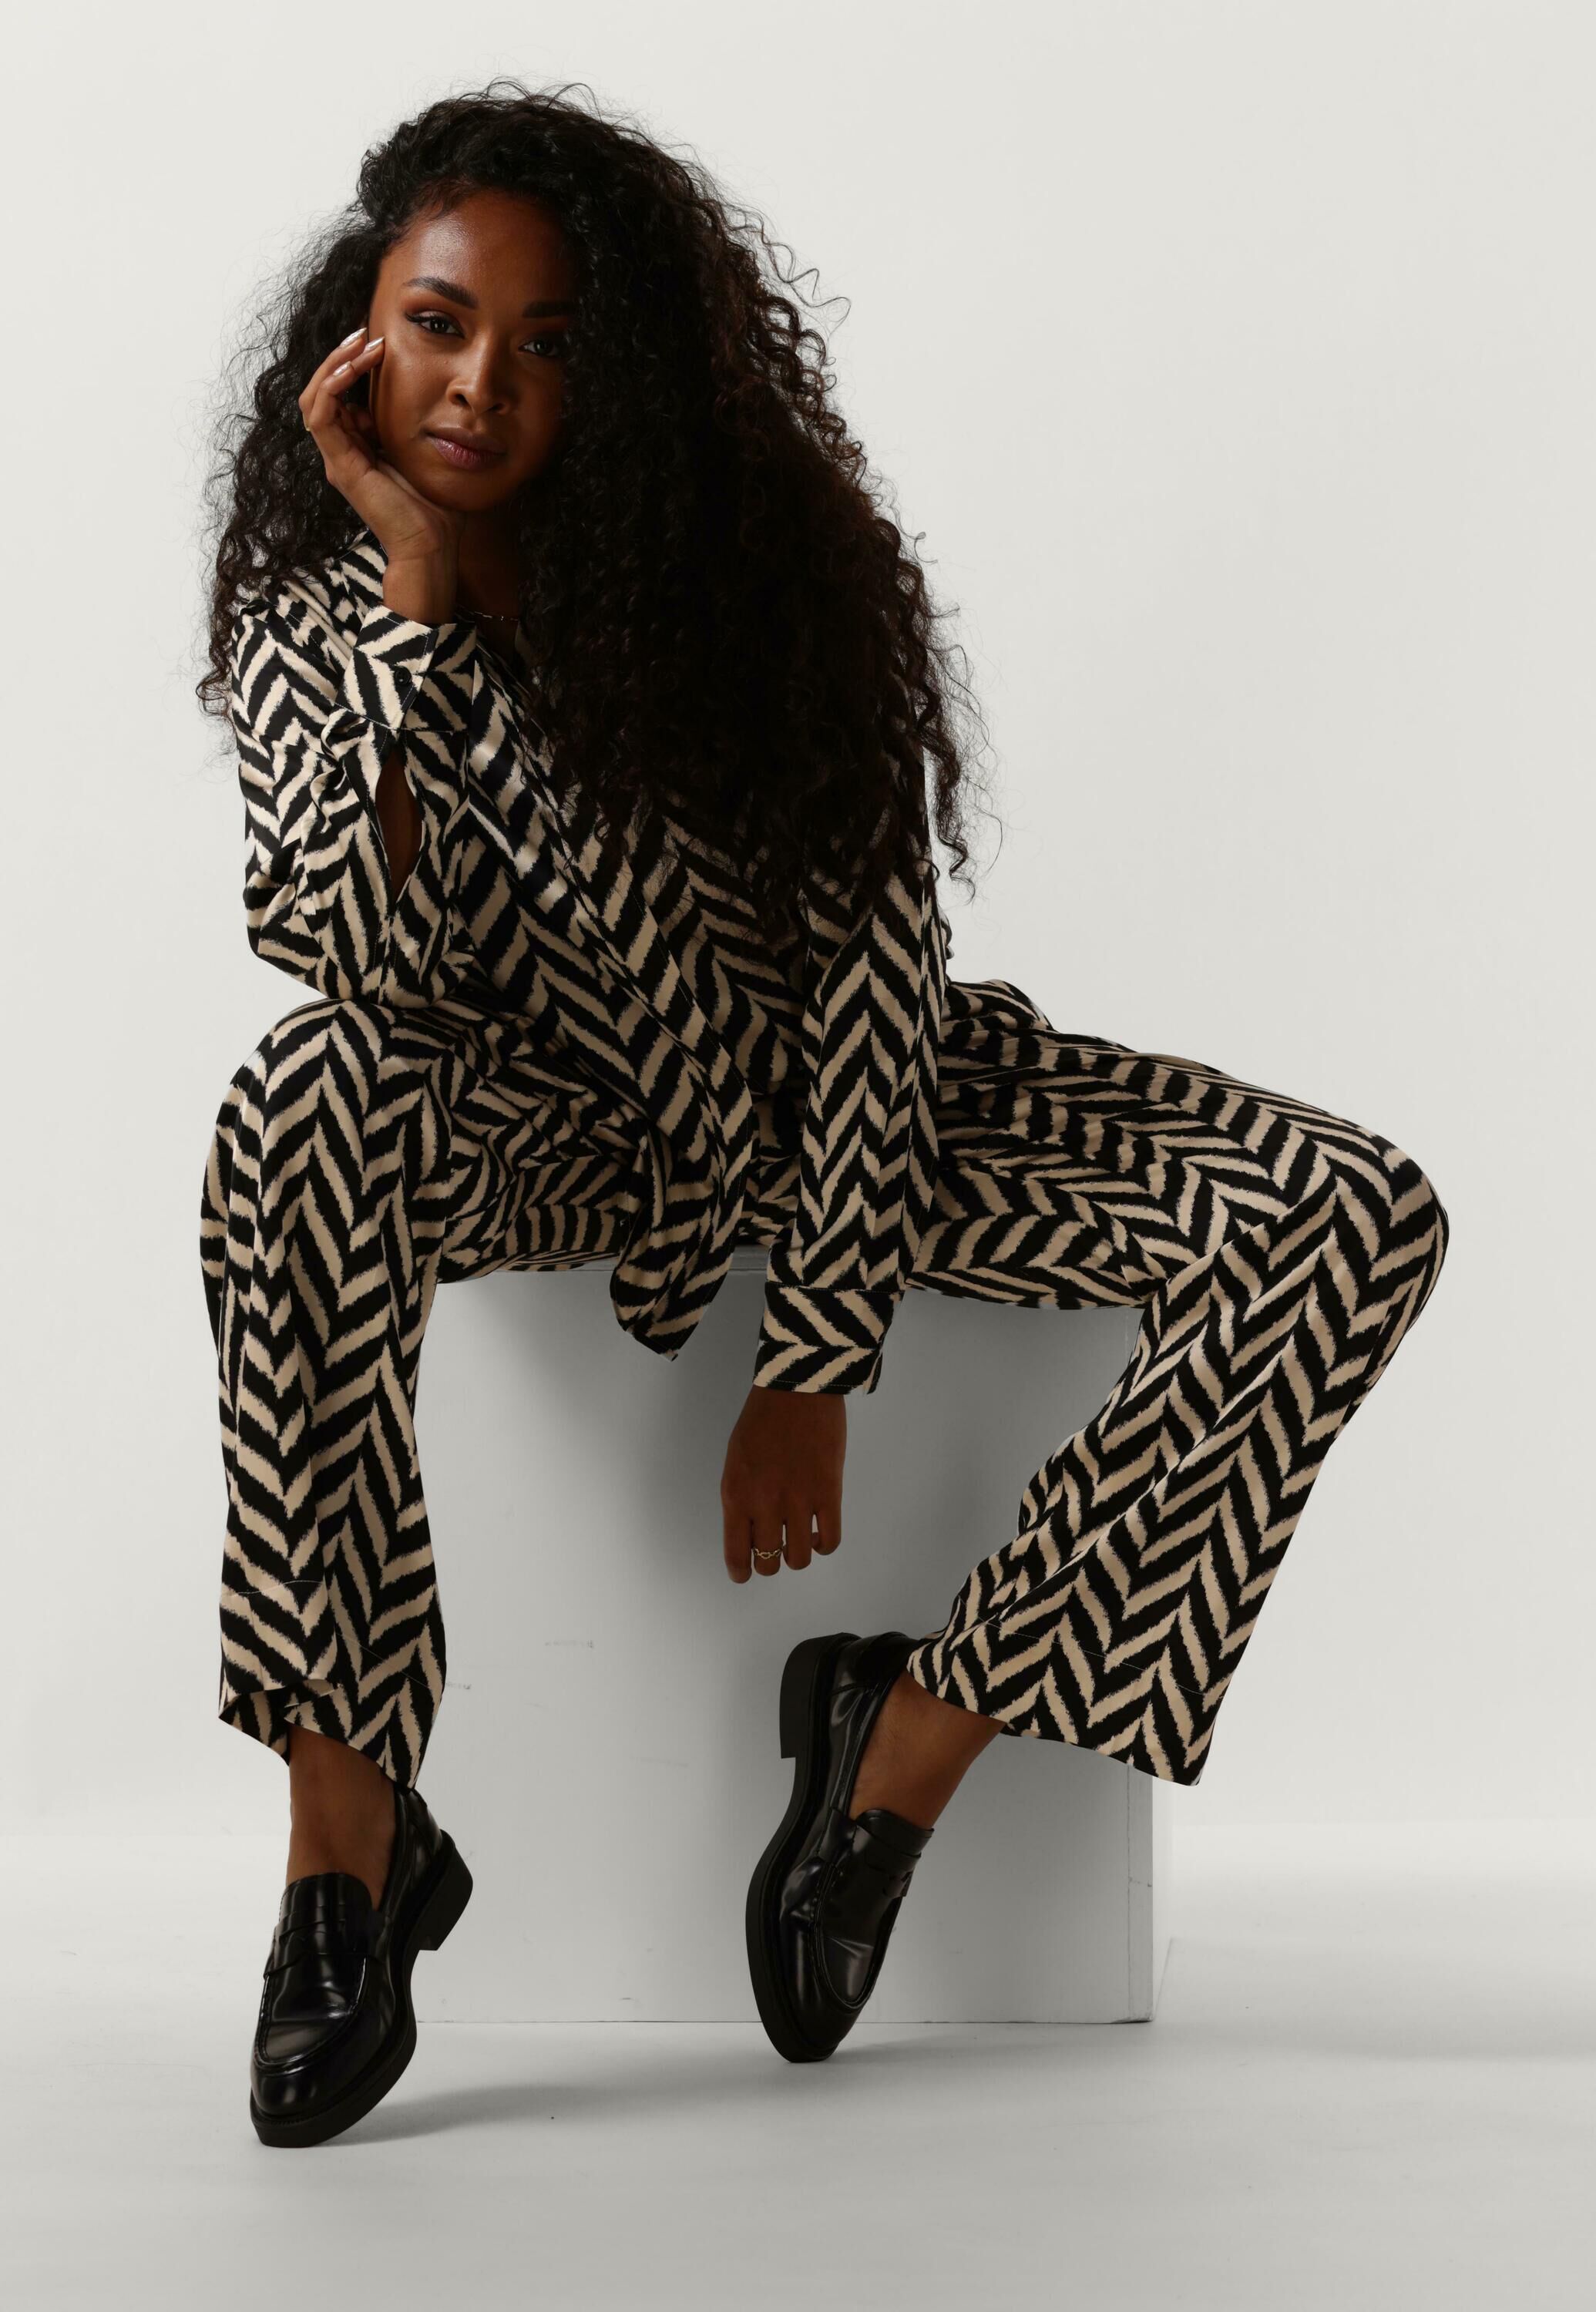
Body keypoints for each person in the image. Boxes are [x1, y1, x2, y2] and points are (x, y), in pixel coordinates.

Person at [196, 82, 1450, 2149]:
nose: (480, 384)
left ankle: (901, 1748)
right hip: (563, 1128)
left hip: (878, 1107)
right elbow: (337, 940)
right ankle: (351, 1841)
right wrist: (417, 602)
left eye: (548, 341)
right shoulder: (323, 612)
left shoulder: (764, 575)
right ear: (362, 334)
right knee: (298, 1102)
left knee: (1351, 1212)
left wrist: (819, 1346)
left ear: (629, 369)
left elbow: (874, 968)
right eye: (437, 324)